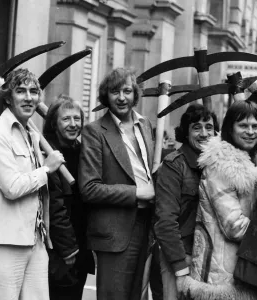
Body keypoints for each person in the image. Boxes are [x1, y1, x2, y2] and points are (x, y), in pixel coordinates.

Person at [0, 68, 64, 300]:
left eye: (33, 92)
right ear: (8, 96)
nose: (28, 98)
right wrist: (46, 168)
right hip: (4, 240)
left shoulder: (32, 134)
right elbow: (12, 187)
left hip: (35, 238)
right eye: (21, 91)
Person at [79, 67, 155, 300]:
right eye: (115, 91)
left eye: (127, 91)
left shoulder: (146, 125)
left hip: (148, 225)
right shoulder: (94, 132)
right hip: (115, 232)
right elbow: (89, 188)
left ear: (135, 94)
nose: (122, 97)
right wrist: (137, 193)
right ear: (105, 96)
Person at [181, 100, 257, 300]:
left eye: (255, 126)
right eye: (243, 125)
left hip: (249, 266)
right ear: (230, 128)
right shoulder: (221, 165)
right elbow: (234, 226)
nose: (250, 131)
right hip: (222, 273)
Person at [154, 103, 219, 300]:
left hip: (212, 259)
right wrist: (180, 268)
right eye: (196, 127)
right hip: (182, 257)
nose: (204, 133)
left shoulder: (219, 164)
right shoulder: (174, 166)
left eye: (209, 127)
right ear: (185, 132)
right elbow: (165, 222)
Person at [43, 94, 95, 300]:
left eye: (77, 119)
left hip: (81, 244)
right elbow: (54, 206)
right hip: (60, 250)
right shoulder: (48, 154)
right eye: (66, 119)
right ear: (54, 124)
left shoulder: (82, 151)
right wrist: (68, 250)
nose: (73, 124)